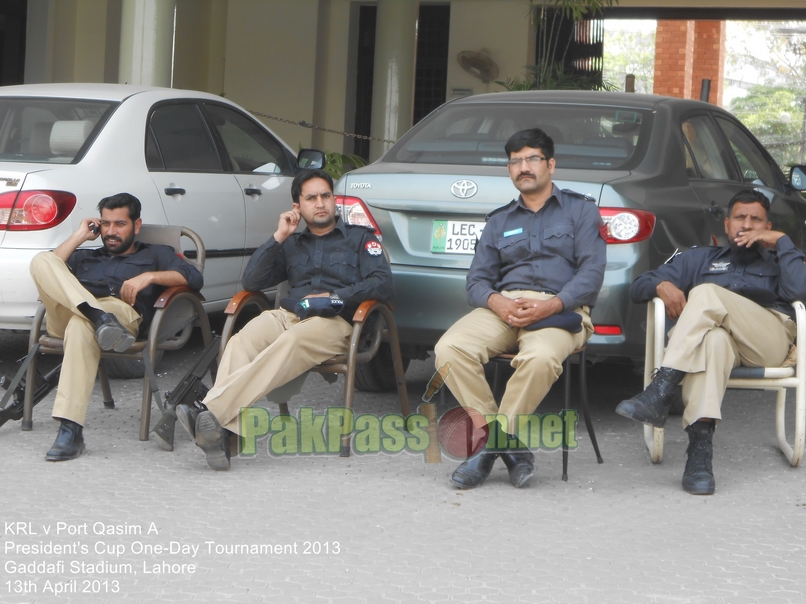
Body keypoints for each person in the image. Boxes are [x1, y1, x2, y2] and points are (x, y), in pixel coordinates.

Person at [175, 168, 394, 471]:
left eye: (326, 196)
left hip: (338, 322)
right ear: (298, 207)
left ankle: (213, 411)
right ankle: (225, 434)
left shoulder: (359, 238)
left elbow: (382, 283)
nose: (321, 203)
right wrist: (279, 236)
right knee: (242, 341)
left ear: (334, 200)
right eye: (311, 198)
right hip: (290, 314)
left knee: (291, 341)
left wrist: (336, 297)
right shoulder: (292, 242)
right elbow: (252, 281)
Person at [434, 128, 606, 489]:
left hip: (558, 307)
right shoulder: (499, 220)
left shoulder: (581, 210)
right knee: (449, 349)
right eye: (515, 161)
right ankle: (507, 447)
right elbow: (477, 282)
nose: (522, 167)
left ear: (551, 165)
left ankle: (488, 448)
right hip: (505, 307)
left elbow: (591, 274)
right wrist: (498, 301)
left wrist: (551, 305)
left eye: (531, 159)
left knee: (541, 358)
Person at [617, 189, 806, 495]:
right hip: (721, 349)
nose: (747, 224)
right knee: (714, 341)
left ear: (767, 227)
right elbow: (639, 287)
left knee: (705, 293)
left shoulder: (781, 260)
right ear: (727, 224)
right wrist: (662, 284)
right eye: (740, 218)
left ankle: (661, 389)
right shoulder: (699, 258)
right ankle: (699, 453)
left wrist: (783, 243)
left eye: (756, 220)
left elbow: (801, 292)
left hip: (767, 342)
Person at [29, 192, 203, 461]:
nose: (111, 231)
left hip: (119, 314)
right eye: (105, 224)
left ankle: (70, 429)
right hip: (67, 315)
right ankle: (96, 316)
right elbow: (48, 270)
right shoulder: (85, 256)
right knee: (41, 260)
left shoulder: (156, 254)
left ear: (136, 225)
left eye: (119, 224)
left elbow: (193, 277)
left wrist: (149, 276)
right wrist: (78, 237)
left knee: (80, 325)